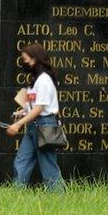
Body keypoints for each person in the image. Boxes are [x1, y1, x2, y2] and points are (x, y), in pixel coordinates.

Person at [6, 43, 63, 192]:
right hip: (34, 127)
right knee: (21, 162)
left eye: (26, 59)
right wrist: (23, 112)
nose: (24, 63)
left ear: (35, 59)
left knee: (48, 166)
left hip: (44, 126)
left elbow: (39, 108)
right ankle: (16, 196)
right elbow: (33, 106)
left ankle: (59, 198)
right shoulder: (35, 80)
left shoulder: (44, 80)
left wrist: (18, 124)